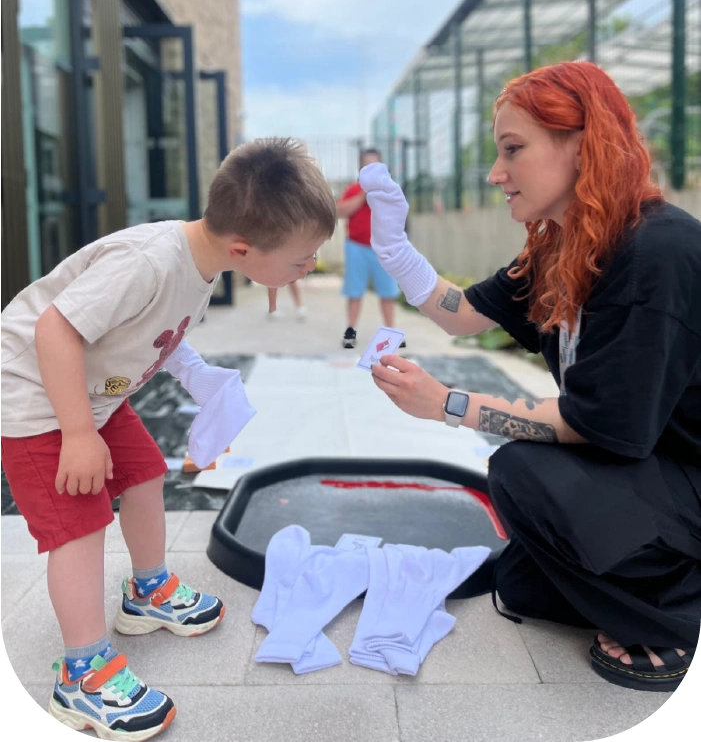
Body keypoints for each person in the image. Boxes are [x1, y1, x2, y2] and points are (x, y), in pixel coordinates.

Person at [358, 61, 701, 693]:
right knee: (521, 585)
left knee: (521, 472)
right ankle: (644, 579)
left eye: (513, 150)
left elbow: (604, 427)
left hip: (684, 473)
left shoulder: (656, 253)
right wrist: (395, 250)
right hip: (647, 466)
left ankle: (679, 613)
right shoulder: (561, 244)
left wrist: (449, 404)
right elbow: (463, 315)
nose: (495, 174)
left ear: (581, 145)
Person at [0, 137, 336, 738]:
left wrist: (200, 376)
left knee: (145, 472)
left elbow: (160, 329)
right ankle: (82, 674)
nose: (308, 268)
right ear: (243, 247)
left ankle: (147, 592)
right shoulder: (150, 261)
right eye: (301, 259)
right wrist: (77, 433)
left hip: (94, 391)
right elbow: (55, 330)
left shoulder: (202, 262)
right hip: (36, 394)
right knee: (78, 523)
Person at [335, 148, 406, 349]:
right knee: (354, 292)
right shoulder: (353, 190)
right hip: (357, 247)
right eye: (367, 165)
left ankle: (391, 332)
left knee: (388, 292)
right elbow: (339, 211)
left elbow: (398, 214)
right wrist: (362, 196)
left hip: (383, 249)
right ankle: (350, 331)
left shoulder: (389, 189)